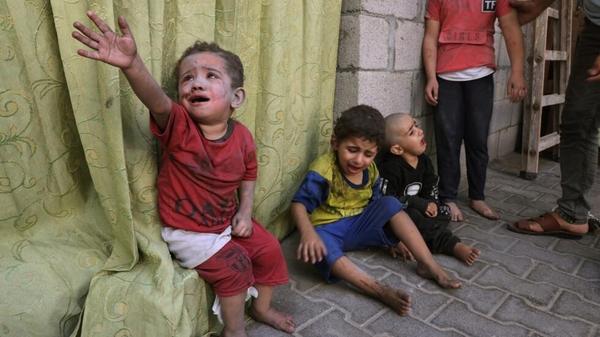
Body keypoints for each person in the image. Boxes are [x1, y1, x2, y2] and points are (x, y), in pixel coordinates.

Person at [71, 11, 294, 336]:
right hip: (190, 234)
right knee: (236, 266)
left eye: (211, 76)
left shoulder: (243, 136)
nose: (197, 82)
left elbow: (249, 173)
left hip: (226, 222)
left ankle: (261, 308)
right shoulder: (180, 126)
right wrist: (132, 64)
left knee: (270, 248)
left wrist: (245, 212)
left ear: (237, 97)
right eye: (188, 78)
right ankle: (234, 330)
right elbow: (156, 101)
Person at [290, 105, 461, 317]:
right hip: (327, 230)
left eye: (368, 154)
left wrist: (395, 240)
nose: (359, 160)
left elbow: (379, 206)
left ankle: (429, 266)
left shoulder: (371, 170)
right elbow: (299, 204)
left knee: (390, 203)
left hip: (358, 227)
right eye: (352, 150)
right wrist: (307, 234)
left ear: (376, 153)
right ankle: (379, 290)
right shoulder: (324, 169)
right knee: (322, 246)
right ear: (335, 143)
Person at [422, 0, 527, 222]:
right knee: (447, 139)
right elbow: (431, 37)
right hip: (446, 76)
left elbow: (510, 29)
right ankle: (448, 196)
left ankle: (477, 196)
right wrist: (431, 77)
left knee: (478, 139)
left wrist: (517, 72)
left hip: (481, 76)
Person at [508, 0, 599, 238]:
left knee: (579, 123)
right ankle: (574, 212)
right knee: (582, 124)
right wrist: (536, 6)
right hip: (595, 27)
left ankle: (572, 213)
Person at [377, 113, 480, 265]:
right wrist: (421, 204)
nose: (420, 131)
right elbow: (389, 200)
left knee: (444, 211)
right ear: (398, 149)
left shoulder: (424, 160)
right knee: (414, 217)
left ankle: (419, 236)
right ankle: (452, 245)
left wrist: (431, 203)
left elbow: (430, 185)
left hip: (420, 209)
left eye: (416, 125)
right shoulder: (391, 168)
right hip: (401, 214)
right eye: (412, 132)